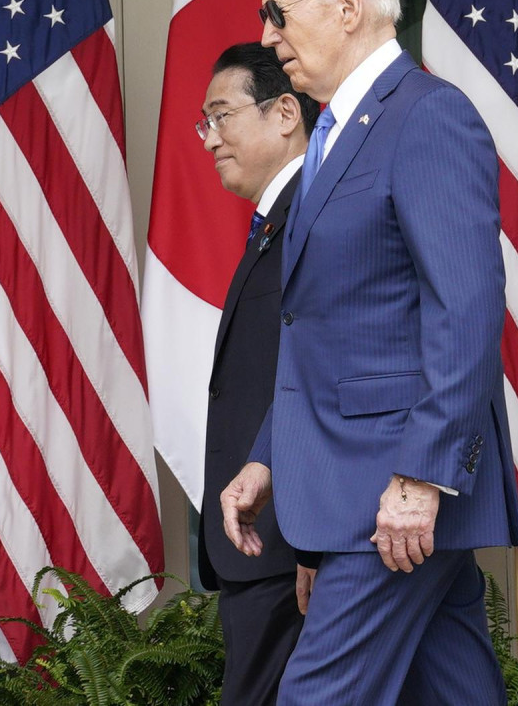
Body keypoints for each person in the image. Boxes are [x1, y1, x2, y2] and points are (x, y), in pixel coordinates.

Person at [220, 0, 518, 705]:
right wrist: (269, 457)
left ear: (347, 4)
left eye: (278, 13)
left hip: (388, 492)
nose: (267, 36)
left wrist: (423, 475)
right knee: (454, 690)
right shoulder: (331, 132)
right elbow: (320, 326)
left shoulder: (426, 116)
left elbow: (466, 308)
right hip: (355, 481)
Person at [195, 42, 320, 706]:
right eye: (205, 122)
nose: (210, 137)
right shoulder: (278, 218)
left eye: (222, 115)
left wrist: (314, 539)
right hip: (261, 548)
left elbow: (324, 377)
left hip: (290, 544)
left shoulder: (319, 214)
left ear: (284, 113)